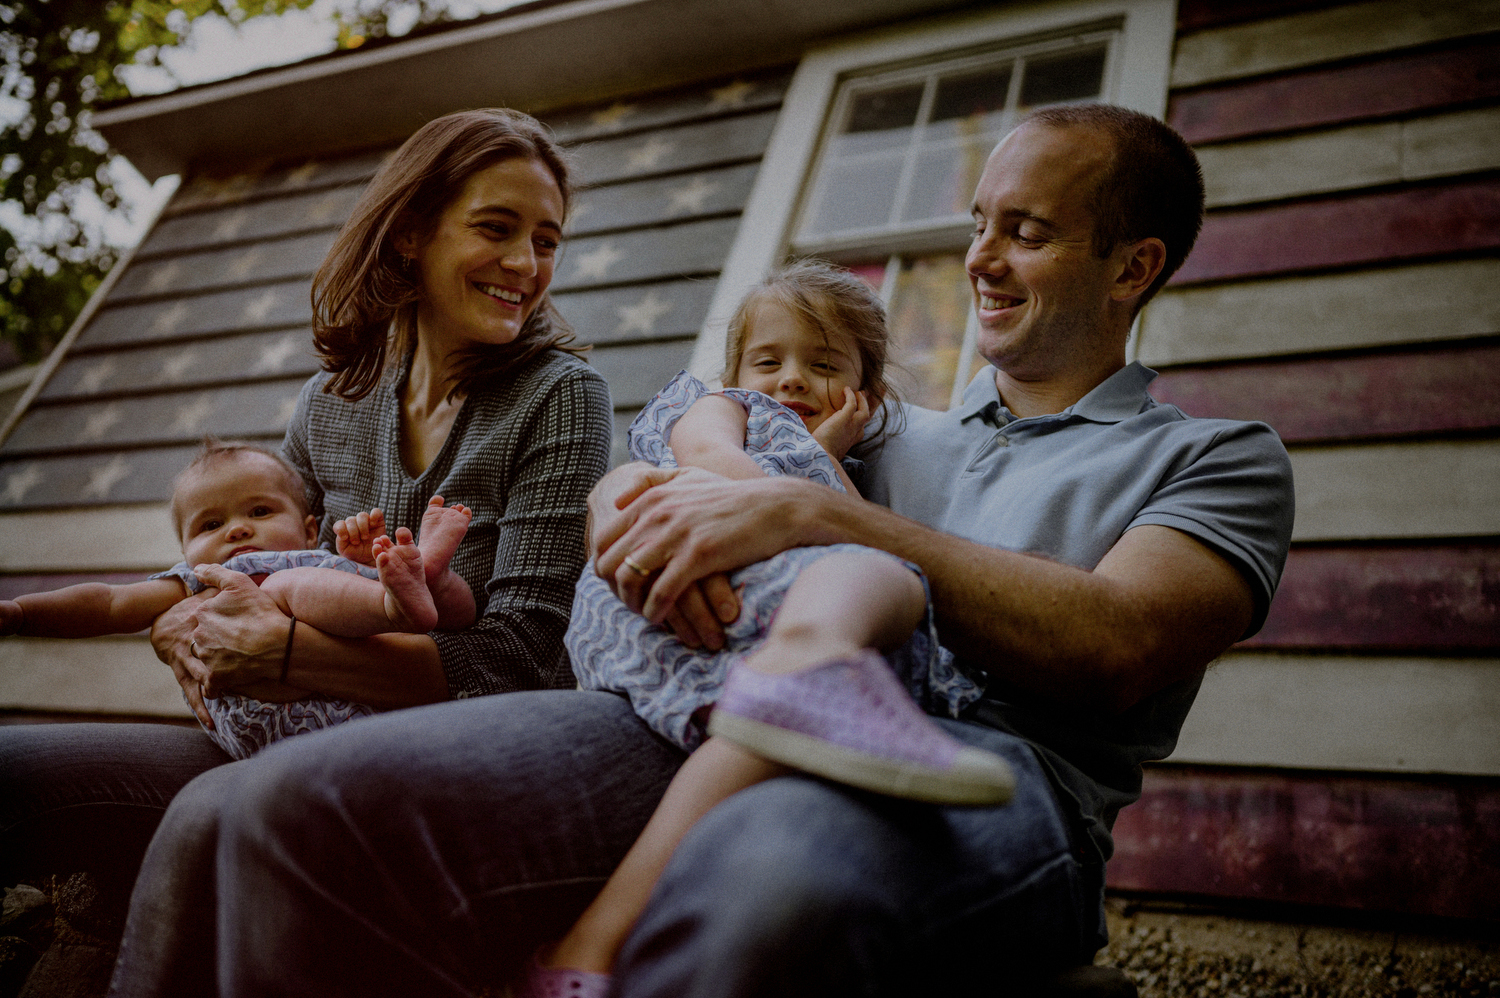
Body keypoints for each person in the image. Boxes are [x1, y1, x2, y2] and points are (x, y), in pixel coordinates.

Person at [101, 103, 1294, 998]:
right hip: (707, 708)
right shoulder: (873, 420)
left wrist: (825, 514)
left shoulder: (1216, 459)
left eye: (1023, 232)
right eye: (980, 222)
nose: (978, 255)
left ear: (1133, 265)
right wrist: (628, 496)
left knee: (765, 892)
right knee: (293, 810)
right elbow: (702, 428)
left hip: (992, 773)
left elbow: (1119, 640)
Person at [0, 106, 611, 966]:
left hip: (460, 753)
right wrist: (181, 623)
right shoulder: (332, 404)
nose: (526, 264)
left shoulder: (561, 397)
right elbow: (243, 561)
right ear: (409, 234)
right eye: (497, 228)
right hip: (293, 729)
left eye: (546, 240)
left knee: (220, 813)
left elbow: (518, 662)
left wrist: (285, 655)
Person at [531, 263, 1012, 995]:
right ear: (734, 370)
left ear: (865, 391)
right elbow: (714, 462)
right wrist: (799, 489)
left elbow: (857, 528)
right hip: (674, 582)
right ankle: (818, 658)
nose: (791, 378)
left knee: (758, 735)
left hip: (737, 640)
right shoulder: (719, 408)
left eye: (822, 365)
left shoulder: (827, 467)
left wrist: (826, 467)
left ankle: (584, 955)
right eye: (768, 359)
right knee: (894, 579)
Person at [1, 440, 477, 759]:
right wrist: (23, 614)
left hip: (364, 715)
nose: (237, 528)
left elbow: (462, 630)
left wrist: (372, 574)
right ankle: (425, 582)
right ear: (186, 552)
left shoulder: (304, 564)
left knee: (281, 588)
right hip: (271, 761)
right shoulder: (196, 580)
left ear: (309, 530)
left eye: (260, 510)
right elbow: (106, 603)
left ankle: (416, 589)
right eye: (210, 525)